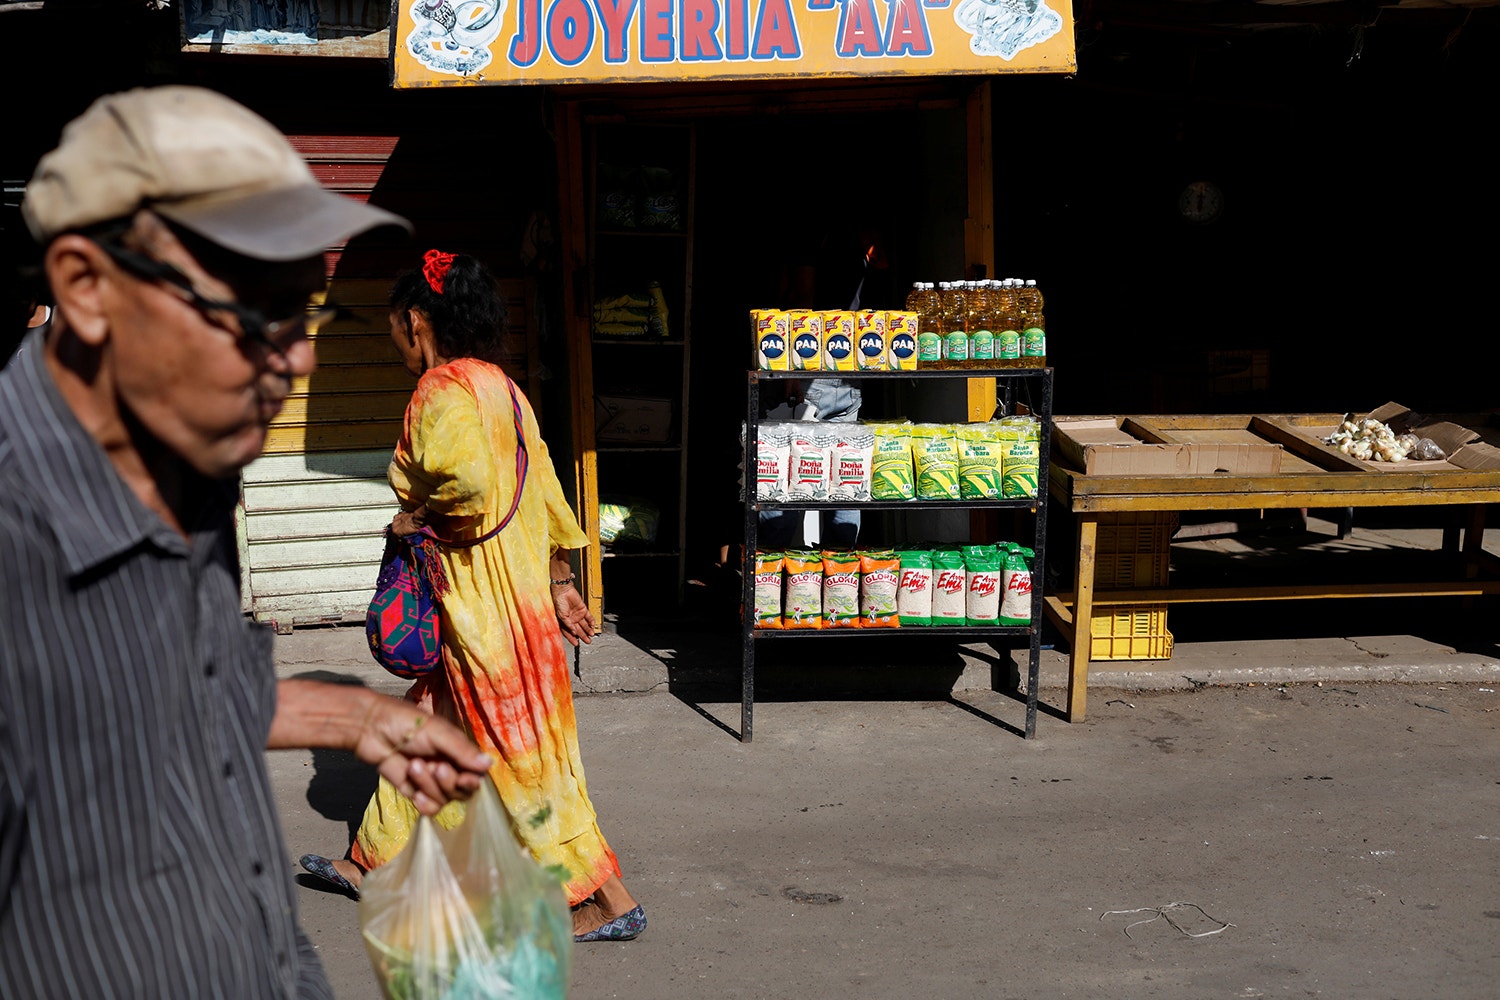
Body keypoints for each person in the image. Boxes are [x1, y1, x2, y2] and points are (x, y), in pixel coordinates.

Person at [0, 86, 498, 999]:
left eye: (306, 310)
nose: (299, 355)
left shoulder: (178, 464)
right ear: (85, 288)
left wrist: (350, 717)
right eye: (253, 307)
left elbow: (168, 688)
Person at [297, 250, 647, 943]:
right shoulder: (505, 392)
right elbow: (544, 495)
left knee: (522, 765)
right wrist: (561, 585)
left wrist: (414, 517)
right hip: (516, 609)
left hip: (481, 613)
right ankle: (374, 863)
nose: (395, 342)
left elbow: (464, 488)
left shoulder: (440, 391)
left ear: (418, 320)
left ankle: (608, 898)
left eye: (396, 328)